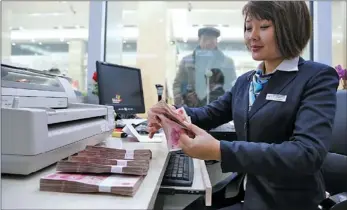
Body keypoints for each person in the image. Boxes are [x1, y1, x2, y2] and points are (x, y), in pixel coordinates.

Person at [148, 1, 339, 210]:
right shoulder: (247, 81)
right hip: (245, 190)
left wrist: (220, 150)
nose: (252, 36)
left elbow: (306, 154)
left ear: (290, 28)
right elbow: (210, 113)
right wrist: (170, 114)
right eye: (249, 28)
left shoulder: (316, 77)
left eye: (264, 27)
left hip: (282, 201)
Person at [173, 27, 237, 107]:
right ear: (199, 40)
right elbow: (178, 84)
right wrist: (181, 104)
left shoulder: (227, 62)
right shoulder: (187, 61)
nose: (208, 43)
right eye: (205, 39)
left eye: (212, 40)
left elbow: (232, 86)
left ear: (216, 41)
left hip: (218, 110)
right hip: (192, 109)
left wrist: (226, 104)